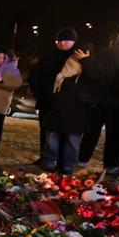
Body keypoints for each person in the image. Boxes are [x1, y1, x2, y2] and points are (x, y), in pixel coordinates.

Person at [79, 26, 119, 174]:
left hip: (100, 99)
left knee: (91, 132)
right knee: (116, 135)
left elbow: (93, 75)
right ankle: (112, 165)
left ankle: (82, 158)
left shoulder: (104, 53)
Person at [39, 40, 99, 175]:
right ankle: (49, 161)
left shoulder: (92, 65)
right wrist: (53, 96)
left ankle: (68, 165)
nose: (78, 54)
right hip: (59, 106)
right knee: (52, 135)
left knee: (72, 139)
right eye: (77, 51)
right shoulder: (64, 63)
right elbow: (51, 79)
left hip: (78, 109)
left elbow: (94, 78)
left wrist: (86, 61)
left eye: (83, 52)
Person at [30, 27, 84, 160]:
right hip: (45, 101)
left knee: (64, 132)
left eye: (66, 40)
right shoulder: (48, 56)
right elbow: (34, 76)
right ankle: (45, 156)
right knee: (45, 131)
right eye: (59, 40)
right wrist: (39, 92)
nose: (62, 43)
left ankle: (62, 159)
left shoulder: (76, 58)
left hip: (66, 103)